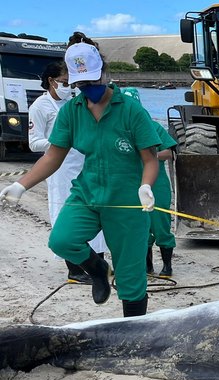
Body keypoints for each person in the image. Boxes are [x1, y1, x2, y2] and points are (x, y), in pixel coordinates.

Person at [0, 33, 162, 317]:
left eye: (93, 82)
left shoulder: (132, 111)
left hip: (126, 200)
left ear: (105, 73)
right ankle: (97, 269)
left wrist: (146, 187)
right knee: (62, 240)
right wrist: (21, 185)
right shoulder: (72, 112)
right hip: (87, 194)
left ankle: (134, 330)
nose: (88, 90)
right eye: (81, 85)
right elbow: (53, 156)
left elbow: (150, 159)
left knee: (130, 276)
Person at [28, 60, 107, 284]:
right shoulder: (40, 107)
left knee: (94, 212)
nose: (68, 87)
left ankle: (97, 264)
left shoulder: (74, 103)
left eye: (70, 83)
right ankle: (74, 270)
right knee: (66, 214)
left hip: (83, 163)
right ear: (51, 81)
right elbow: (34, 143)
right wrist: (61, 142)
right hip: (60, 168)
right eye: (64, 82)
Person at [123, 87, 178, 279]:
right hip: (132, 185)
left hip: (157, 185)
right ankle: (147, 266)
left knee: (161, 225)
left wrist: (149, 156)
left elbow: (170, 153)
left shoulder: (154, 127)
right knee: (141, 228)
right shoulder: (120, 129)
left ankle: (167, 266)